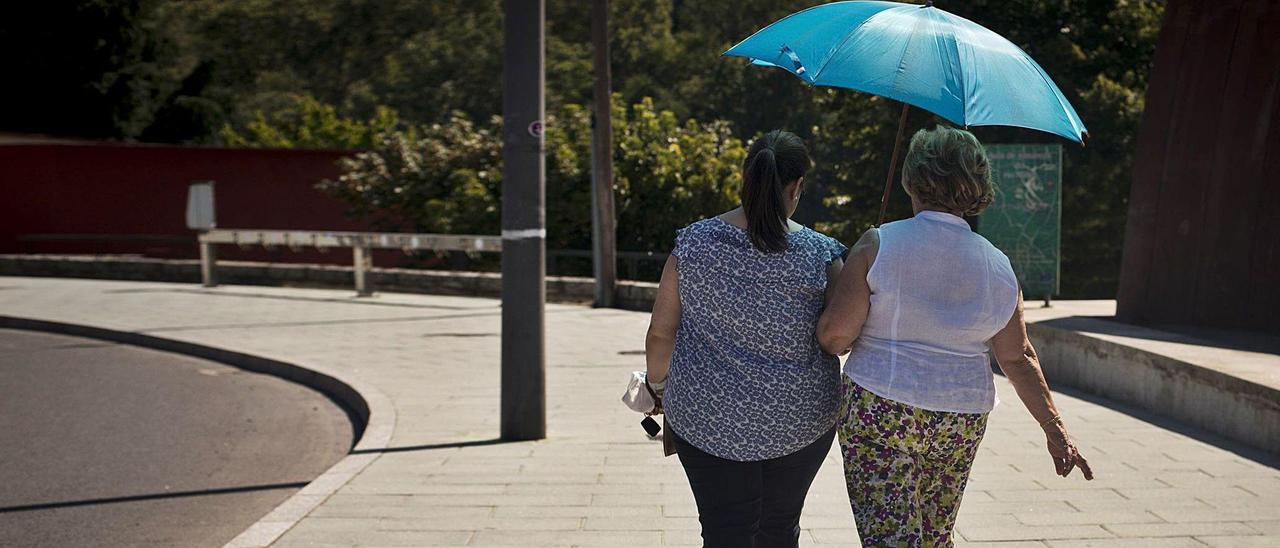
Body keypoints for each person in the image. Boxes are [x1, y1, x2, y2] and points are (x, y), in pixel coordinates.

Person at [817, 125, 1093, 547]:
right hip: (960, 418)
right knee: (933, 537)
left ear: (912, 179)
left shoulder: (879, 244)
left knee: (891, 539)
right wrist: (1055, 430)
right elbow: (1017, 358)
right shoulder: (998, 265)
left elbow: (834, 338)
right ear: (976, 186)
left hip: (881, 406)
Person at [645, 129, 847, 548]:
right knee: (779, 528)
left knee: (724, 532)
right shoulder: (820, 253)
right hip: (799, 421)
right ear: (796, 187)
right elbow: (840, 337)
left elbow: (661, 333)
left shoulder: (694, 243)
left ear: (746, 178)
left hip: (705, 420)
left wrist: (658, 387)